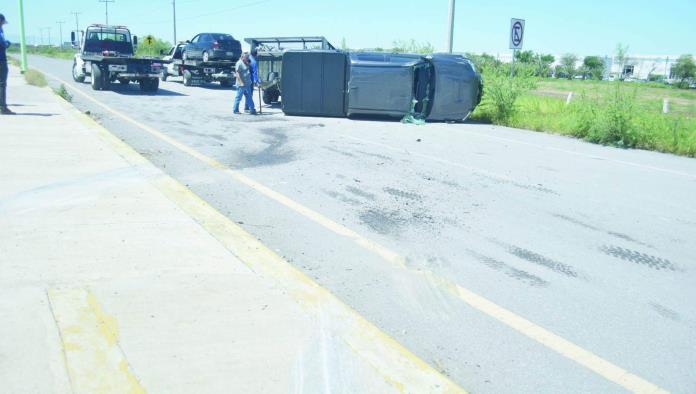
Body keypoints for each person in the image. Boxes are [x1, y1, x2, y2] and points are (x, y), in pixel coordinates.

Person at [0, 13, 15, 115]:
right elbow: (4, 44)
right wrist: (8, 43)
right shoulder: (0, 32)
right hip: (1, 60)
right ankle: (3, 108)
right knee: (2, 84)